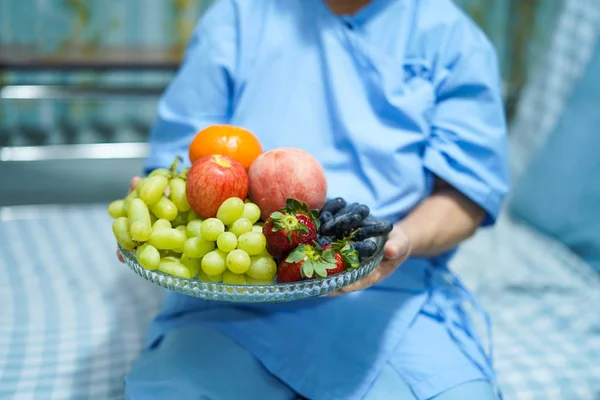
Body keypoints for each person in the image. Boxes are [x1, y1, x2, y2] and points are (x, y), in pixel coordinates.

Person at [121, 0, 510, 399]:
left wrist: (402, 239)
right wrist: (153, 219)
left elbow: (467, 192)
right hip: (236, 290)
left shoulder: (450, 35)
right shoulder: (238, 15)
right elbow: (178, 161)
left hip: (392, 296)